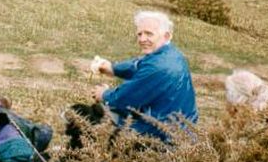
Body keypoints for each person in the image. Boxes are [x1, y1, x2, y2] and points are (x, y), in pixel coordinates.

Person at [73, 10, 197, 143]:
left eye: (149, 34)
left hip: (162, 137)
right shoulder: (171, 54)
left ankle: (72, 159)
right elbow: (137, 65)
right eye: (139, 34)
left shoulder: (157, 67)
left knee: (85, 115)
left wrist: (104, 94)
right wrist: (113, 68)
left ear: (166, 36)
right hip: (182, 129)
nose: (142, 39)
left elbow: (125, 100)